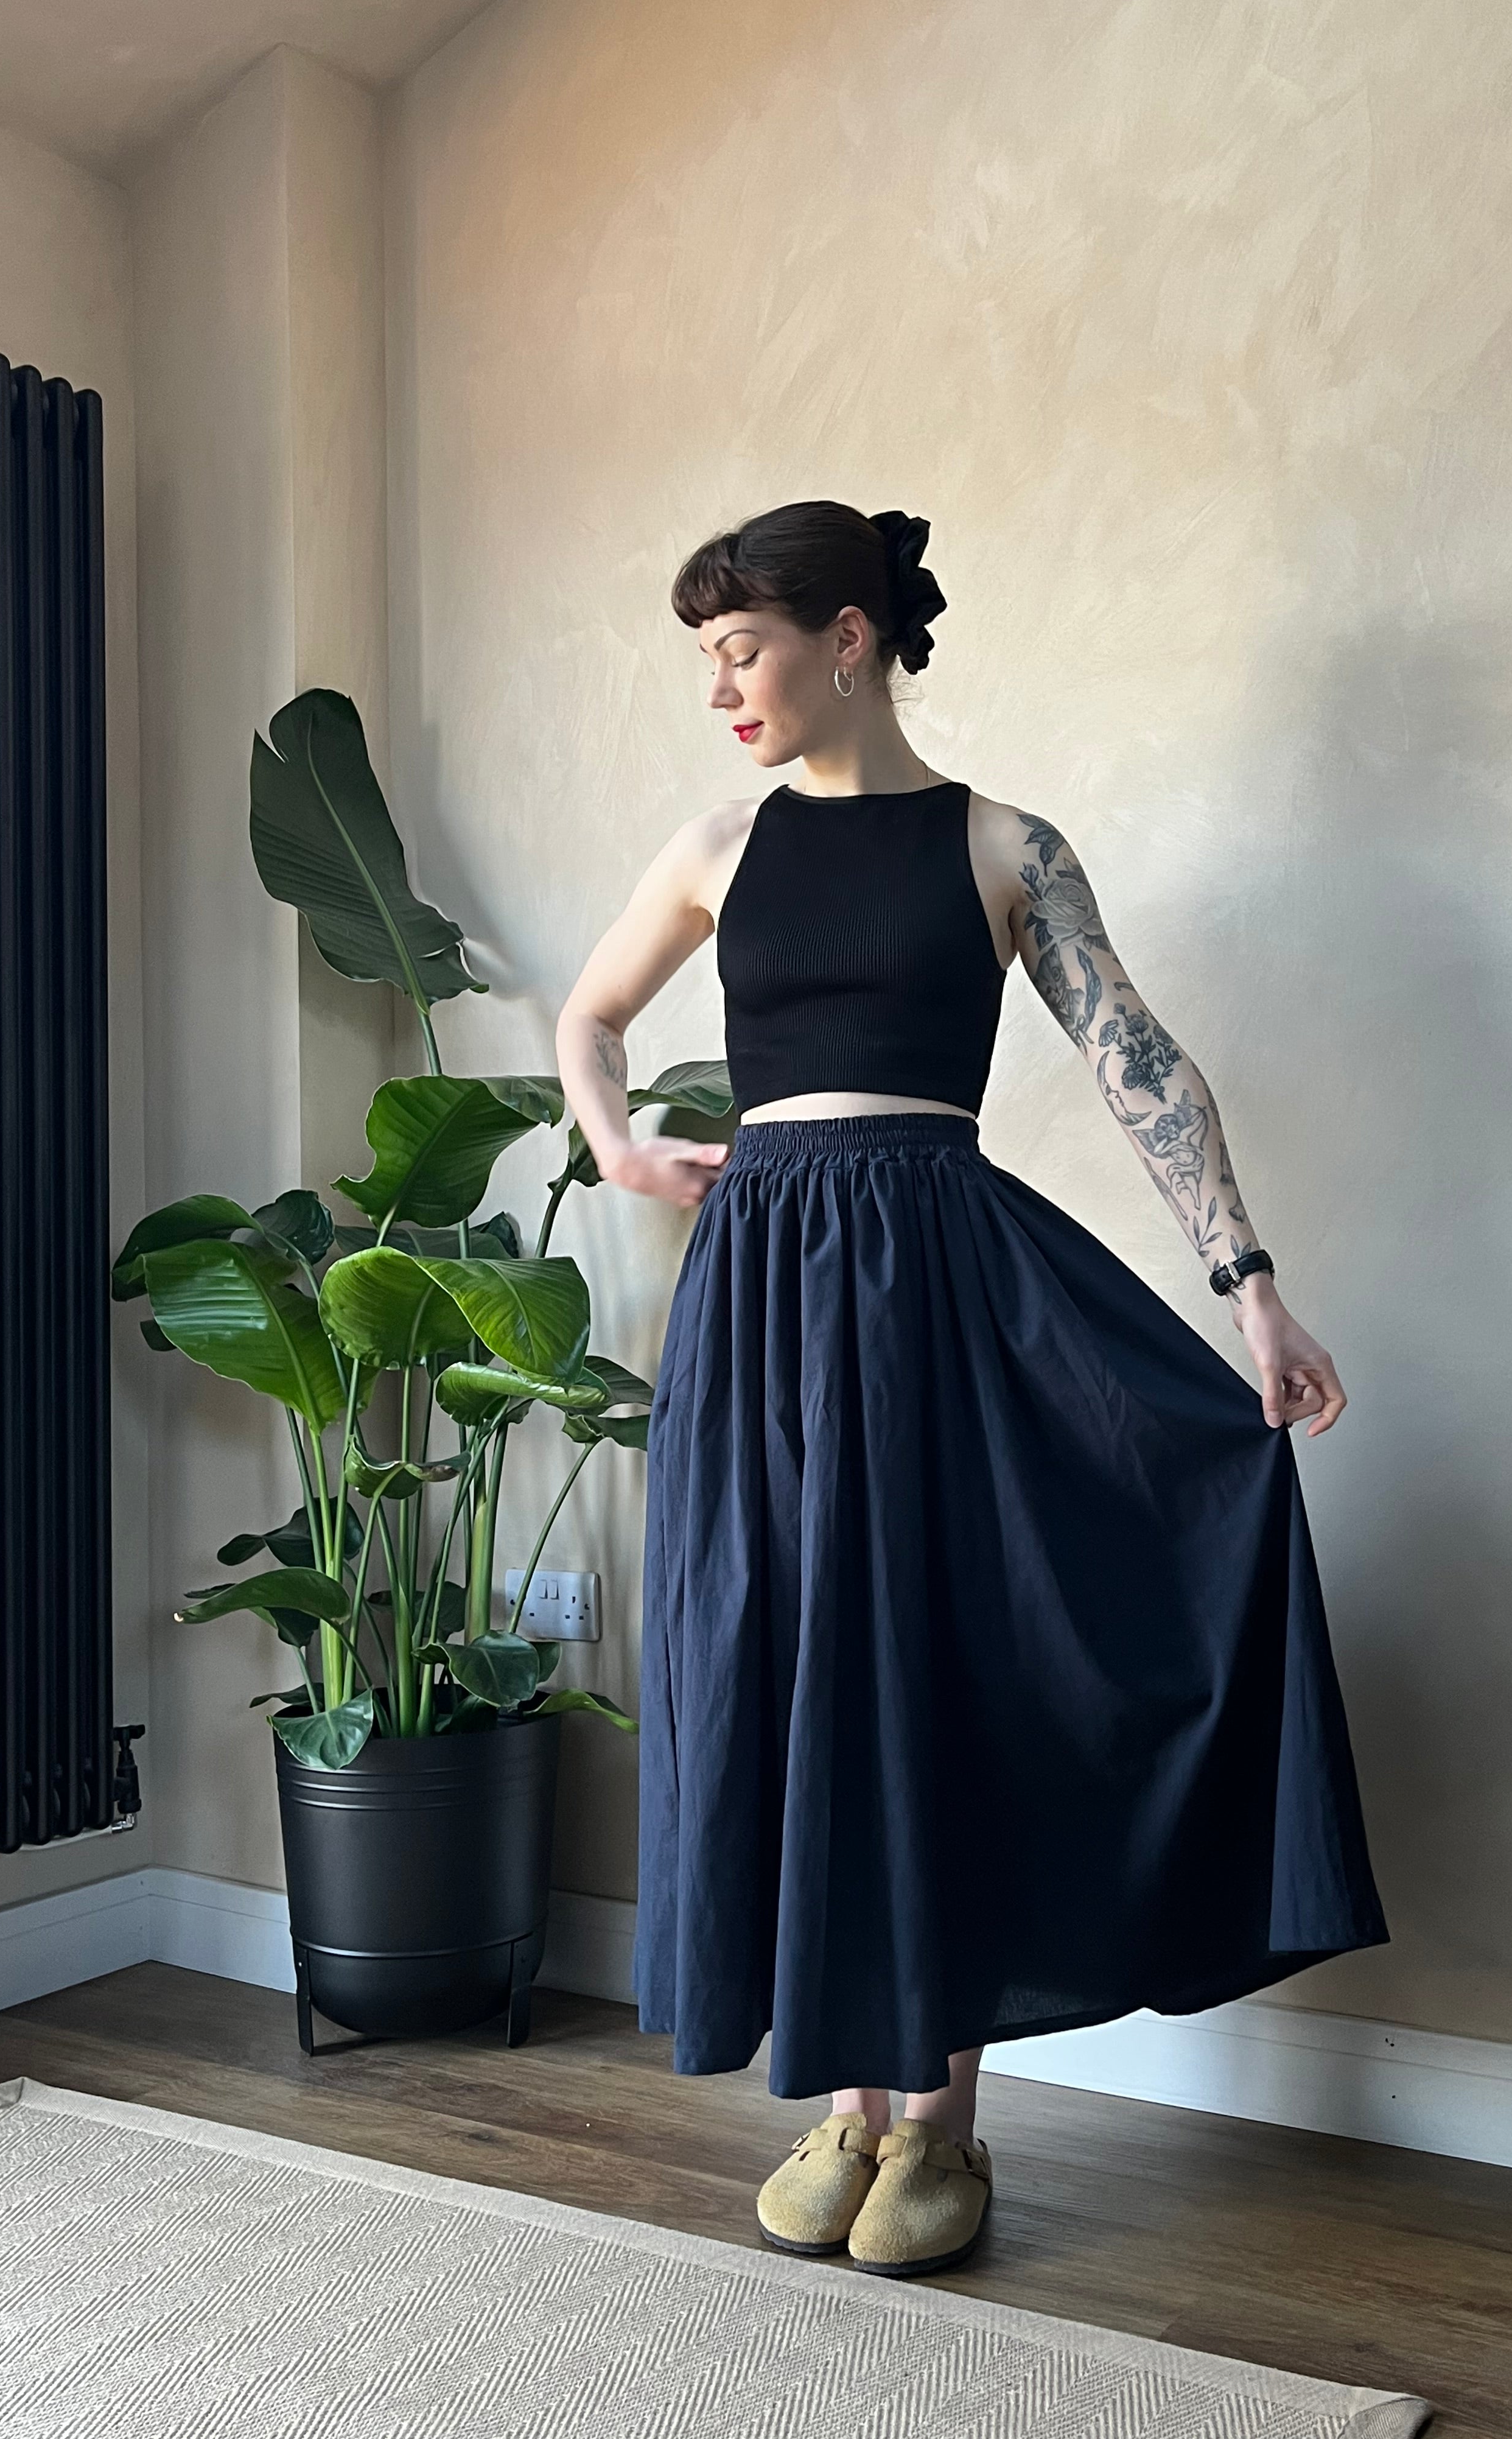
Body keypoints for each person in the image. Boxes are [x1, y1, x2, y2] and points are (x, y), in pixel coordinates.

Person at [554, 500, 1389, 2281]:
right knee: (780, 1657)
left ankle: (937, 2123)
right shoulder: (717, 845)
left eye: (742, 648)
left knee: (932, 1661)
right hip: (765, 1297)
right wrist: (620, 1146)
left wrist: (1249, 1287)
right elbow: (590, 1018)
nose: (722, 687)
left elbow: (1138, 1059)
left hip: (939, 1290)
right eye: (707, 656)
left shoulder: (1009, 845)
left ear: (846, 638)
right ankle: (844, 2095)